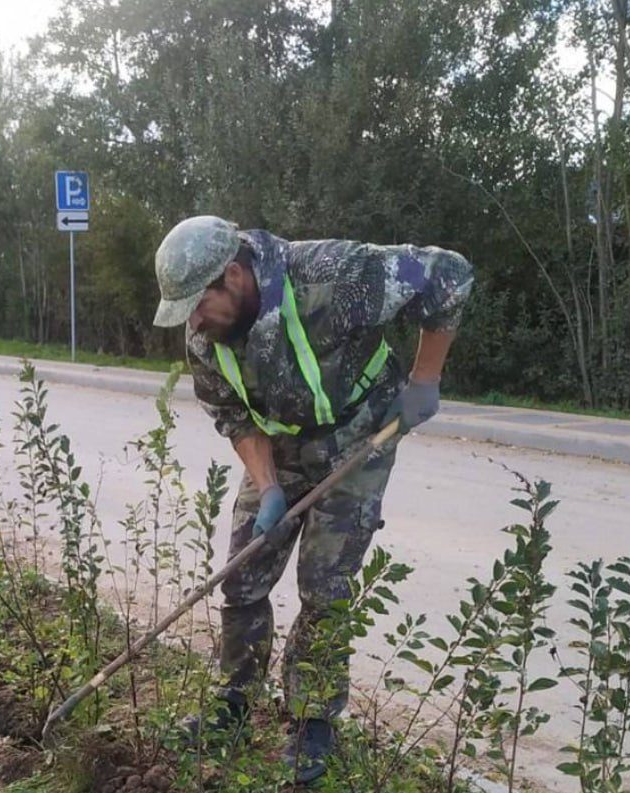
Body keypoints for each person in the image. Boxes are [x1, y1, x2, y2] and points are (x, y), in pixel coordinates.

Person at [152, 216, 474, 782]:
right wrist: (270, 486)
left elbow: (448, 276)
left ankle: (312, 720)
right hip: (277, 444)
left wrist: (425, 380)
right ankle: (233, 701)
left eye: (200, 305)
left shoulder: (334, 274)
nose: (195, 323)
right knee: (243, 573)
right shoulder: (204, 335)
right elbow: (231, 414)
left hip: (358, 439)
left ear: (233, 275)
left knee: (324, 587)